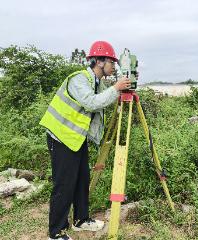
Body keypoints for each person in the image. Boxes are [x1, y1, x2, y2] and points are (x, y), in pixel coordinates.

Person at [39, 41, 131, 240]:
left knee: (81, 180)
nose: (114, 66)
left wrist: (118, 91)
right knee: (64, 185)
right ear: (98, 61)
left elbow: (103, 99)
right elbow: (91, 103)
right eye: (111, 61)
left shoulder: (98, 83)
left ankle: (81, 219)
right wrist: (116, 88)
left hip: (76, 138)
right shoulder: (79, 79)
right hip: (61, 137)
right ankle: (56, 232)